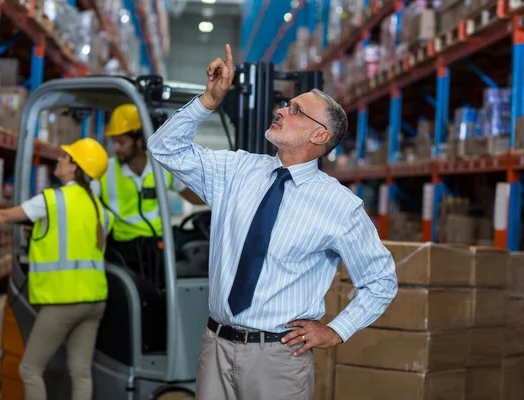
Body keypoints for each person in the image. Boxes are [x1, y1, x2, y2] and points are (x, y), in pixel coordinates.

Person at [146, 44, 398, 400]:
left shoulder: (340, 206)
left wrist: (335, 330)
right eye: (286, 105)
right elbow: (164, 149)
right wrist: (207, 101)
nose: (281, 109)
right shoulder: (237, 171)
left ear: (319, 136)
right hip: (216, 345)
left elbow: (380, 282)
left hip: (278, 358)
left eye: (296, 111)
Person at [0, 138, 114, 400]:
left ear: (75, 168)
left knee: (30, 369)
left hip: (63, 301)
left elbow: (2, 217)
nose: (59, 159)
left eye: (66, 157)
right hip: (95, 300)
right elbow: (76, 242)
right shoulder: (101, 210)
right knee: (80, 372)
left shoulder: (53, 200)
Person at [91, 104, 204, 279]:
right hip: (125, 250)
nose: (116, 148)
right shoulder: (106, 171)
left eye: (121, 142)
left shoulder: (161, 166)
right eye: (114, 142)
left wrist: (222, 200)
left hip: (158, 244)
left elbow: (194, 196)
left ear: (139, 141)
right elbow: (86, 200)